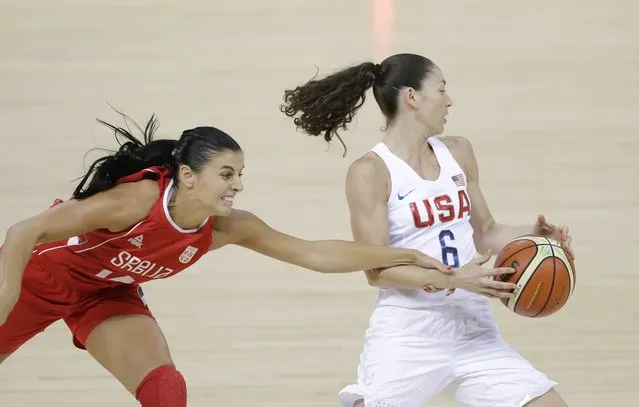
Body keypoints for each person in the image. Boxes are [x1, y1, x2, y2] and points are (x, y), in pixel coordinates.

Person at [0, 113, 515, 407]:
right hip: (33, 277)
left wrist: (409, 253)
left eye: (240, 173)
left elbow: (313, 253)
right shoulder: (135, 203)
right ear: (187, 175)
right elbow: (25, 230)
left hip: (106, 294)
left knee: (165, 388)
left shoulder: (227, 227)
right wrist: (6, 296)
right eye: (227, 173)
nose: (238, 185)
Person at [280, 53, 575, 407]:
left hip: (472, 328)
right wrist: (454, 279)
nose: (449, 100)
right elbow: (377, 270)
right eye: (442, 89)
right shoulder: (370, 172)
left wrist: (537, 236)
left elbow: (486, 233)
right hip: (409, 332)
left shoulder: (459, 152)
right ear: (412, 97)